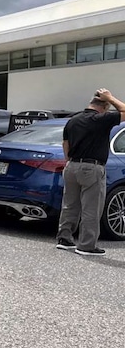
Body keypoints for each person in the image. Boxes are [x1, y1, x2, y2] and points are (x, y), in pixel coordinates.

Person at [55, 88, 125, 255]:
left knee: (70, 205)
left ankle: (65, 238)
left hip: (71, 165)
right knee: (92, 207)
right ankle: (86, 245)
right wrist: (111, 97)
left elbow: (66, 144)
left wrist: (70, 162)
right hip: (92, 167)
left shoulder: (73, 120)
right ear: (105, 107)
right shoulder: (101, 119)